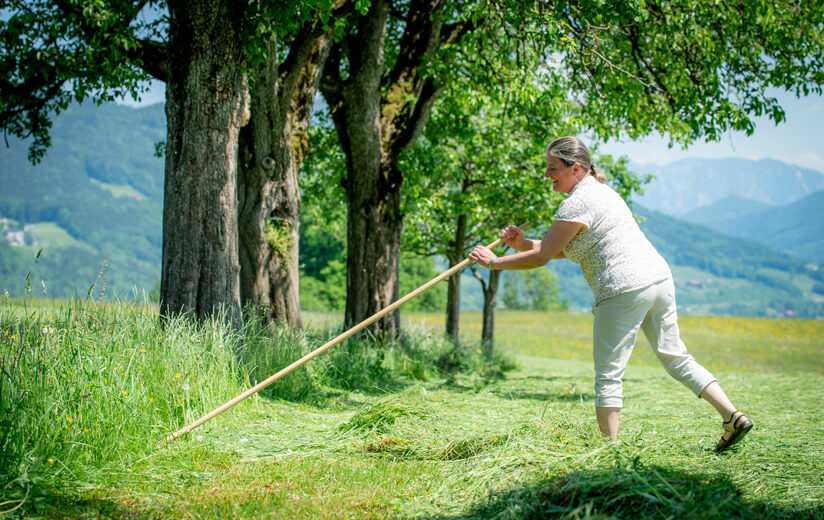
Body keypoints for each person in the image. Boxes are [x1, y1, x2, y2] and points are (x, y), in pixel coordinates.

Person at [468, 136, 753, 451]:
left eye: (552, 168)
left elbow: (543, 256)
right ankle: (732, 416)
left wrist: (494, 263)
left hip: (622, 288)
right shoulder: (603, 193)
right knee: (677, 357)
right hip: (658, 279)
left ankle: (609, 454)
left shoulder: (575, 203)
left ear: (576, 168)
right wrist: (520, 244)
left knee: (608, 375)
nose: (546, 175)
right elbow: (559, 248)